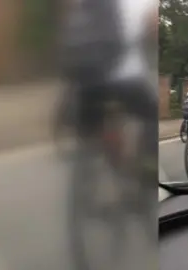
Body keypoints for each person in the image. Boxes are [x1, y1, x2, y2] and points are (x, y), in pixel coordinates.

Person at [60, 0, 159, 182]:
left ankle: (89, 155)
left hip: (86, 80)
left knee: (89, 126)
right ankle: (147, 168)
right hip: (126, 80)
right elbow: (153, 29)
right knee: (152, 113)